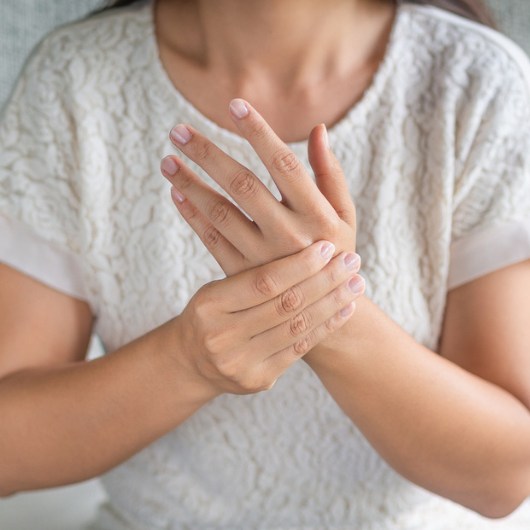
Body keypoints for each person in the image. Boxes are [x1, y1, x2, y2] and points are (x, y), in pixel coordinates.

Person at [1, 0, 530, 528]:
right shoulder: (75, 79)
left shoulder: (477, 82)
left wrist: (327, 310)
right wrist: (185, 361)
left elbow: (507, 477)